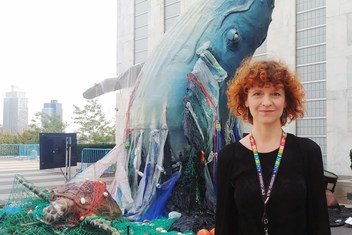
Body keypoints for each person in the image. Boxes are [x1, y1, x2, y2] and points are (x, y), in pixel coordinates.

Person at [215, 59, 331, 235]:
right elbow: (225, 225)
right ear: (245, 100)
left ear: (286, 101)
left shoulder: (308, 152)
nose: (267, 102)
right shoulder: (228, 157)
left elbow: (319, 223)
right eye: (257, 93)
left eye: (275, 94)